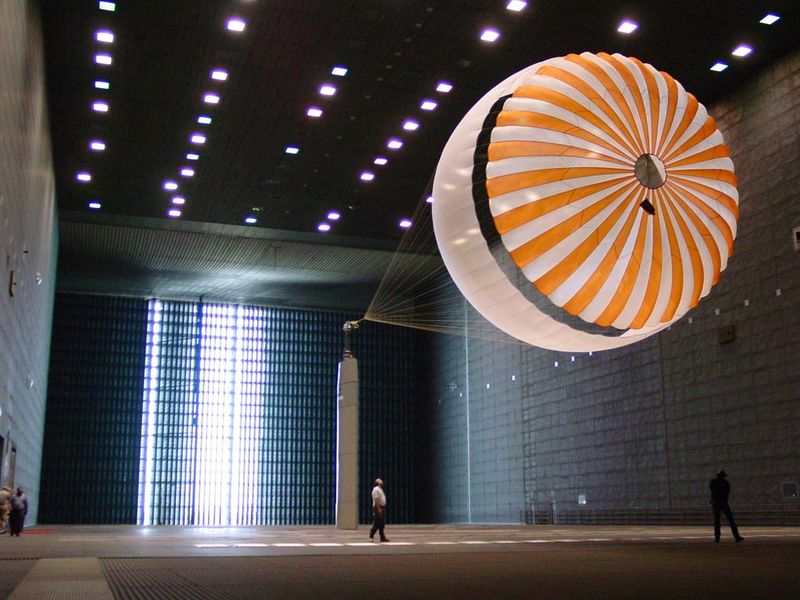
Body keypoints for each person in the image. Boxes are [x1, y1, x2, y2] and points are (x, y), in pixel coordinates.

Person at [709, 470, 743, 543]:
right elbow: (727, 493)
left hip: (715, 503)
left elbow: (712, 492)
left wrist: (713, 500)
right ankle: (736, 536)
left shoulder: (713, 482)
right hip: (724, 502)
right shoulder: (726, 483)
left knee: (717, 521)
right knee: (731, 520)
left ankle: (717, 538)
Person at [369, 478, 389, 542]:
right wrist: (378, 508)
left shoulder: (380, 489)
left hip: (382, 507)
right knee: (377, 522)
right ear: (377, 482)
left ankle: (382, 537)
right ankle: (371, 536)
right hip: (378, 507)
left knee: (382, 523)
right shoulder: (376, 489)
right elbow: (376, 499)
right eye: (379, 480)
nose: (381, 481)